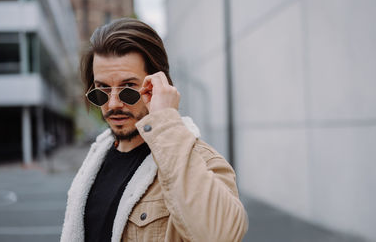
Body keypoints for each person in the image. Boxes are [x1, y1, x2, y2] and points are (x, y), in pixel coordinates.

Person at [60, 18, 248, 242]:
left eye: (128, 88)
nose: (113, 104)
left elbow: (222, 235)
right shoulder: (97, 156)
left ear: (158, 85)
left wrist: (165, 121)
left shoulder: (200, 160)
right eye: (102, 89)